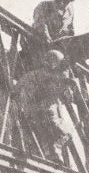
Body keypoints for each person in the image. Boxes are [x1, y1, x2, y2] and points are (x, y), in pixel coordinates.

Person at [12, 31, 72, 164]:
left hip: (29, 114)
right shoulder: (52, 77)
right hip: (47, 114)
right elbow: (65, 94)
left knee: (41, 136)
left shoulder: (30, 75)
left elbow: (15, 91)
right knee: (66, 133)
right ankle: (54, 152)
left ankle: (46, 153)